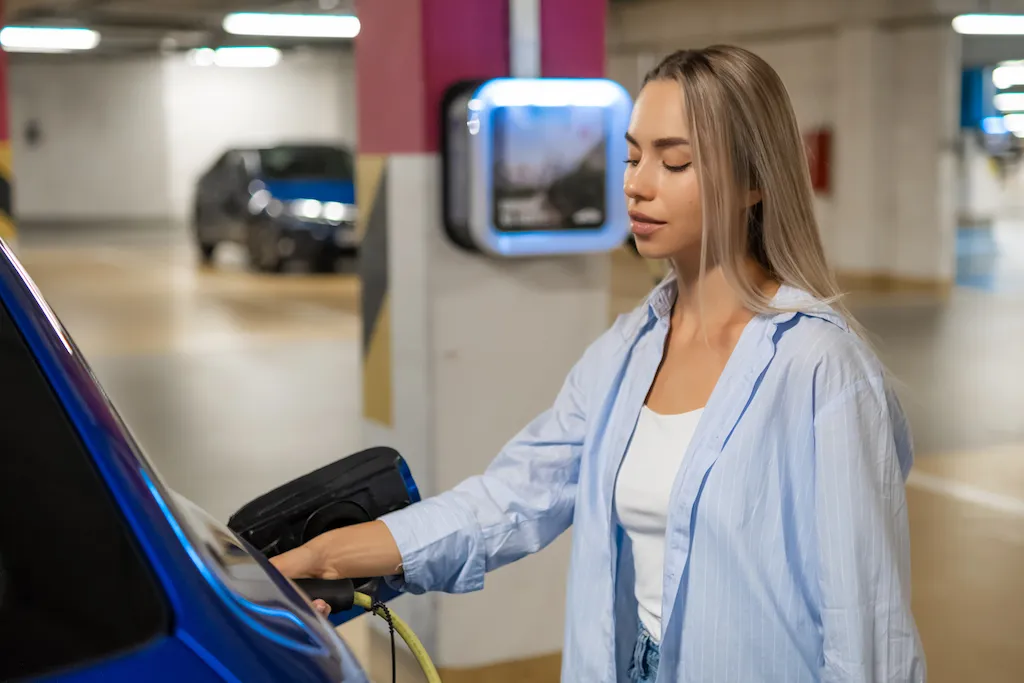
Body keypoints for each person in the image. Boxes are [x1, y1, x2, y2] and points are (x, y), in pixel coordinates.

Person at [272, 45, 926, 682]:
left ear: (754, 182)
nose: (637, 185)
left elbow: (866, 628)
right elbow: (509, 500)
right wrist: (329, 555)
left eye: (675, 163)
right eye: (632, 156)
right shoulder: (627, 349)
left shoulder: (822, 370)